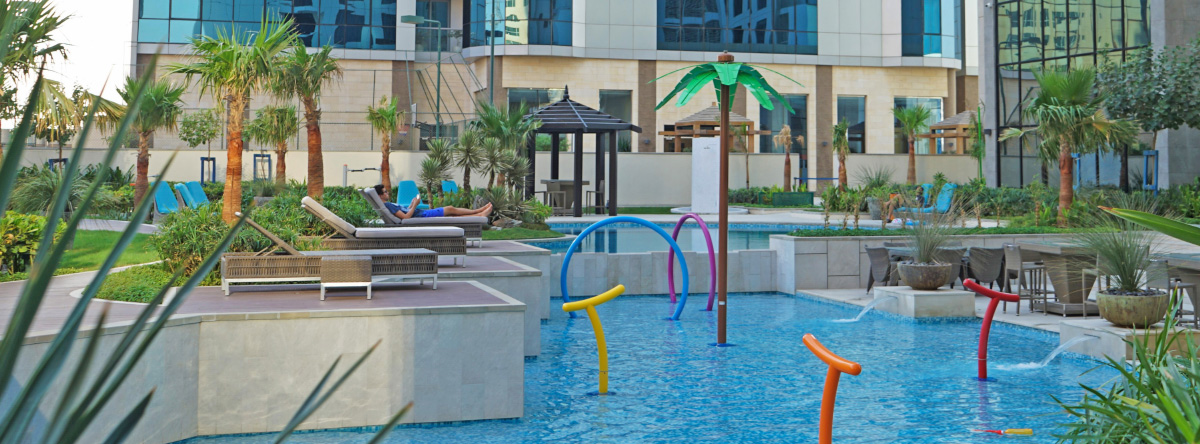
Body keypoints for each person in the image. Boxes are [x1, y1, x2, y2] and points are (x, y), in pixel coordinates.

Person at [374, 185, 492, 219]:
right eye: (385, 192)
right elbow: (405, 218)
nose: (387, 193)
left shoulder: (387, 205)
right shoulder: (388, 205)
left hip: (420, 213)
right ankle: (478, 212)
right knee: (450, 209)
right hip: (422, 215)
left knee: (451, 214)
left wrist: (411, 204)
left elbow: (405, 212)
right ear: (380, 195)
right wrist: (415, 205)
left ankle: (479, 214)